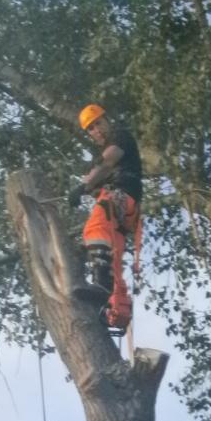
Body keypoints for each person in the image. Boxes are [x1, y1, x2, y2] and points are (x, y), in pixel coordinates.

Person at [69, 104, 143, 310]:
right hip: (126, 209)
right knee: (111, 248)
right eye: (91, 128)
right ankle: (110, 303)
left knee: (95, 227)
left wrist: (84, 185)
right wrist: (87, 188)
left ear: (107, 119)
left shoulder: (121, 137)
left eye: (98, 123)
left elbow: (108, 162)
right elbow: (98, 176)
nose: (96, 130)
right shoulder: (100, 155)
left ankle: (102, 286)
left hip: (122, 194)